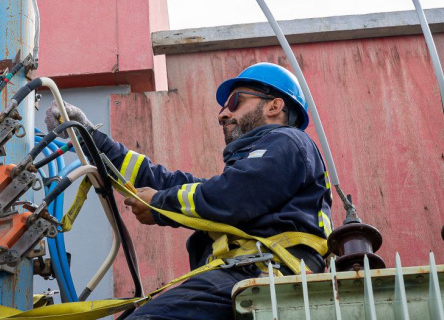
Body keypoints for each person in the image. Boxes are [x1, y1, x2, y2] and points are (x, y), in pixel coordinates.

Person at [45, 62, 332, 320]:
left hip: (265, 273)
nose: (223, 114)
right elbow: (172, 183)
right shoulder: (265, 164)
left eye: (235, 101)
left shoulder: (289, 141)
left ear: (274, 106)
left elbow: (230, 197)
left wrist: (159, 205)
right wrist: (92, 139)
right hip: (248, 272)